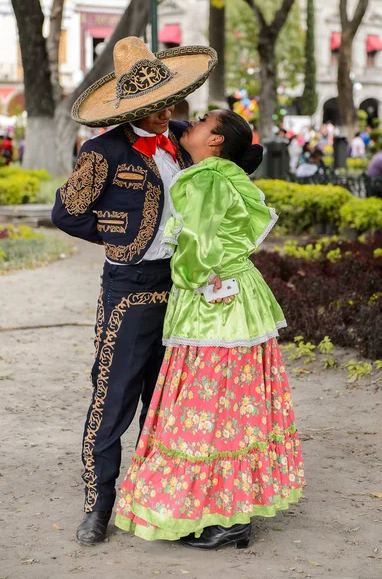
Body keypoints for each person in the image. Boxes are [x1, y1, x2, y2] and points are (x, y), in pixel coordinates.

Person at [51, 36, 217, 546]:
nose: (166, 113)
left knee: (168, 402)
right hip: (127, 288)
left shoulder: (185, 140)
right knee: (113, 397)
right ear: (131, 110)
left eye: (169, 103)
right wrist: (116, 235)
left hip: (182, 287)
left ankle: (157, 501)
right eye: (153, 108)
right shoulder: (102, 151)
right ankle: (98, 505)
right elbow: (65, 213)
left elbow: (238, 155)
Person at [115, 110, 305, 549]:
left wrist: (188, 279)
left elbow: (196, 248)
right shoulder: (229, 176)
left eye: (201, 120)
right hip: (243, 300)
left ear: (216, 140)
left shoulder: (204, 178)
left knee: (206, 410)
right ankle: (234, 510)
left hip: (214, 306)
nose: (190, 124)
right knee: (236, 408)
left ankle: (224, 517)